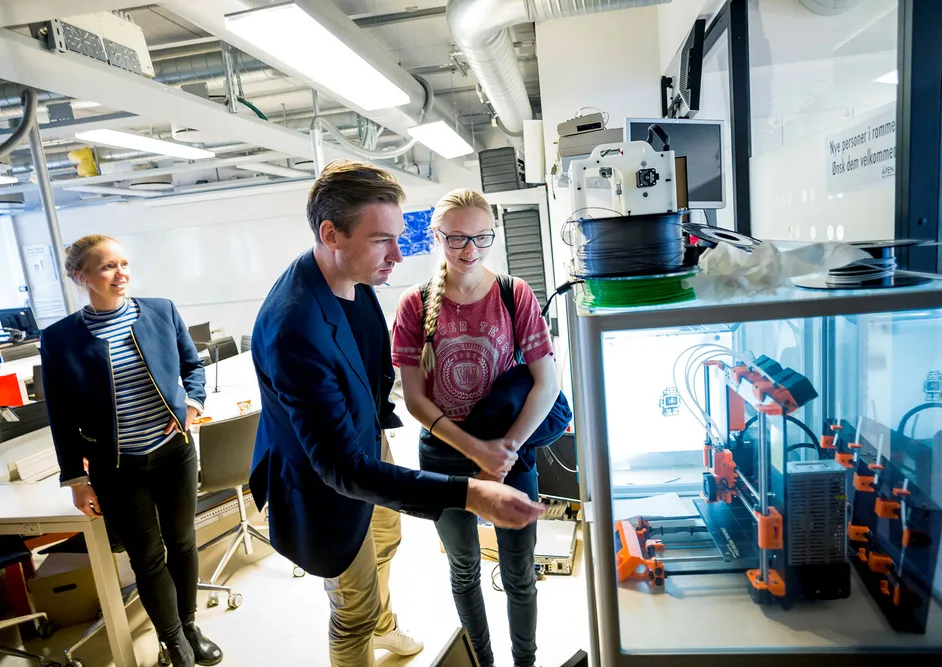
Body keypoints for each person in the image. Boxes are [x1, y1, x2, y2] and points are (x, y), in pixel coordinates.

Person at [249, 160, 544, 667]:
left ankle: (383, 627)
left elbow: (370, 378)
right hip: (326, 479)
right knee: (353, 607)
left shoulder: (354, 278)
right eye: (382, 240)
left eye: (400, 237)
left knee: (386, 539)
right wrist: (471, 491)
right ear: (331, 234)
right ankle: (368, 626)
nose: (398, 254)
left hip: (366, 445)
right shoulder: (294, 329)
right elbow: (340, 468)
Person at [391, 189, 561, 667]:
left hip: (511, 448)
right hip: (444, 453)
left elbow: (547, 383)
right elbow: (416, 400)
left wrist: (500, 455)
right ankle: (482, 662)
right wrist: (476, 453)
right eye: (457, 238)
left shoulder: (513, 293)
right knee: (464, 568)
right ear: (436, 236)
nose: (470, 250)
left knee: (519, 572)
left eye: (482, 237)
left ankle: (525, 662)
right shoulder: (414, 304)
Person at [40, 235, 221, 667]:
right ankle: (173, 643)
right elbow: (60, 414)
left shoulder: (160, 311)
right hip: (116, 467)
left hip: (173, 452)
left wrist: (193, 404)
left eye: (123, 263)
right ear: (80, 277)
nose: (120, 273)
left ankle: (190, 626)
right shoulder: (61, 338)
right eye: (107, 266)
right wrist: (76, 478)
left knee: (182, 542)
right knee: (147, 557)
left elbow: (193, 366)